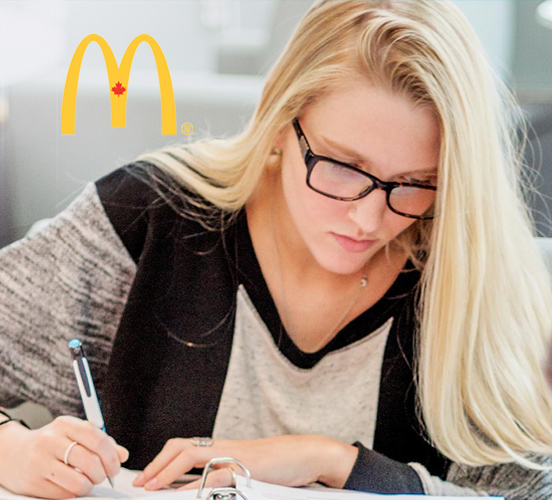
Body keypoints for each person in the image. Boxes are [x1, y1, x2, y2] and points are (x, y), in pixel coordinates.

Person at [1, 0, 552, 498]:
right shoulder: (147, 221)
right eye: (341, 167)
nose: (368, 217)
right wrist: (12, 450)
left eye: (413, 182)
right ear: (281, 122)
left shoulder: (465, 266)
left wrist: (335, 463)